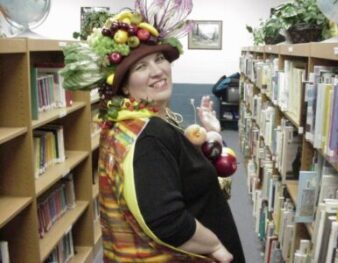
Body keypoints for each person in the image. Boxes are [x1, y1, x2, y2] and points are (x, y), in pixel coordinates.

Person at [61, 1, 245, 262]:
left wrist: (211, 135)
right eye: (140, 67)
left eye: (159, 59)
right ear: (123, 87)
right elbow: (166, 219)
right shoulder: (149, 135)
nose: (157, 71)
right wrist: (217, 247)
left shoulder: (126, 124)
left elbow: (175, 174)